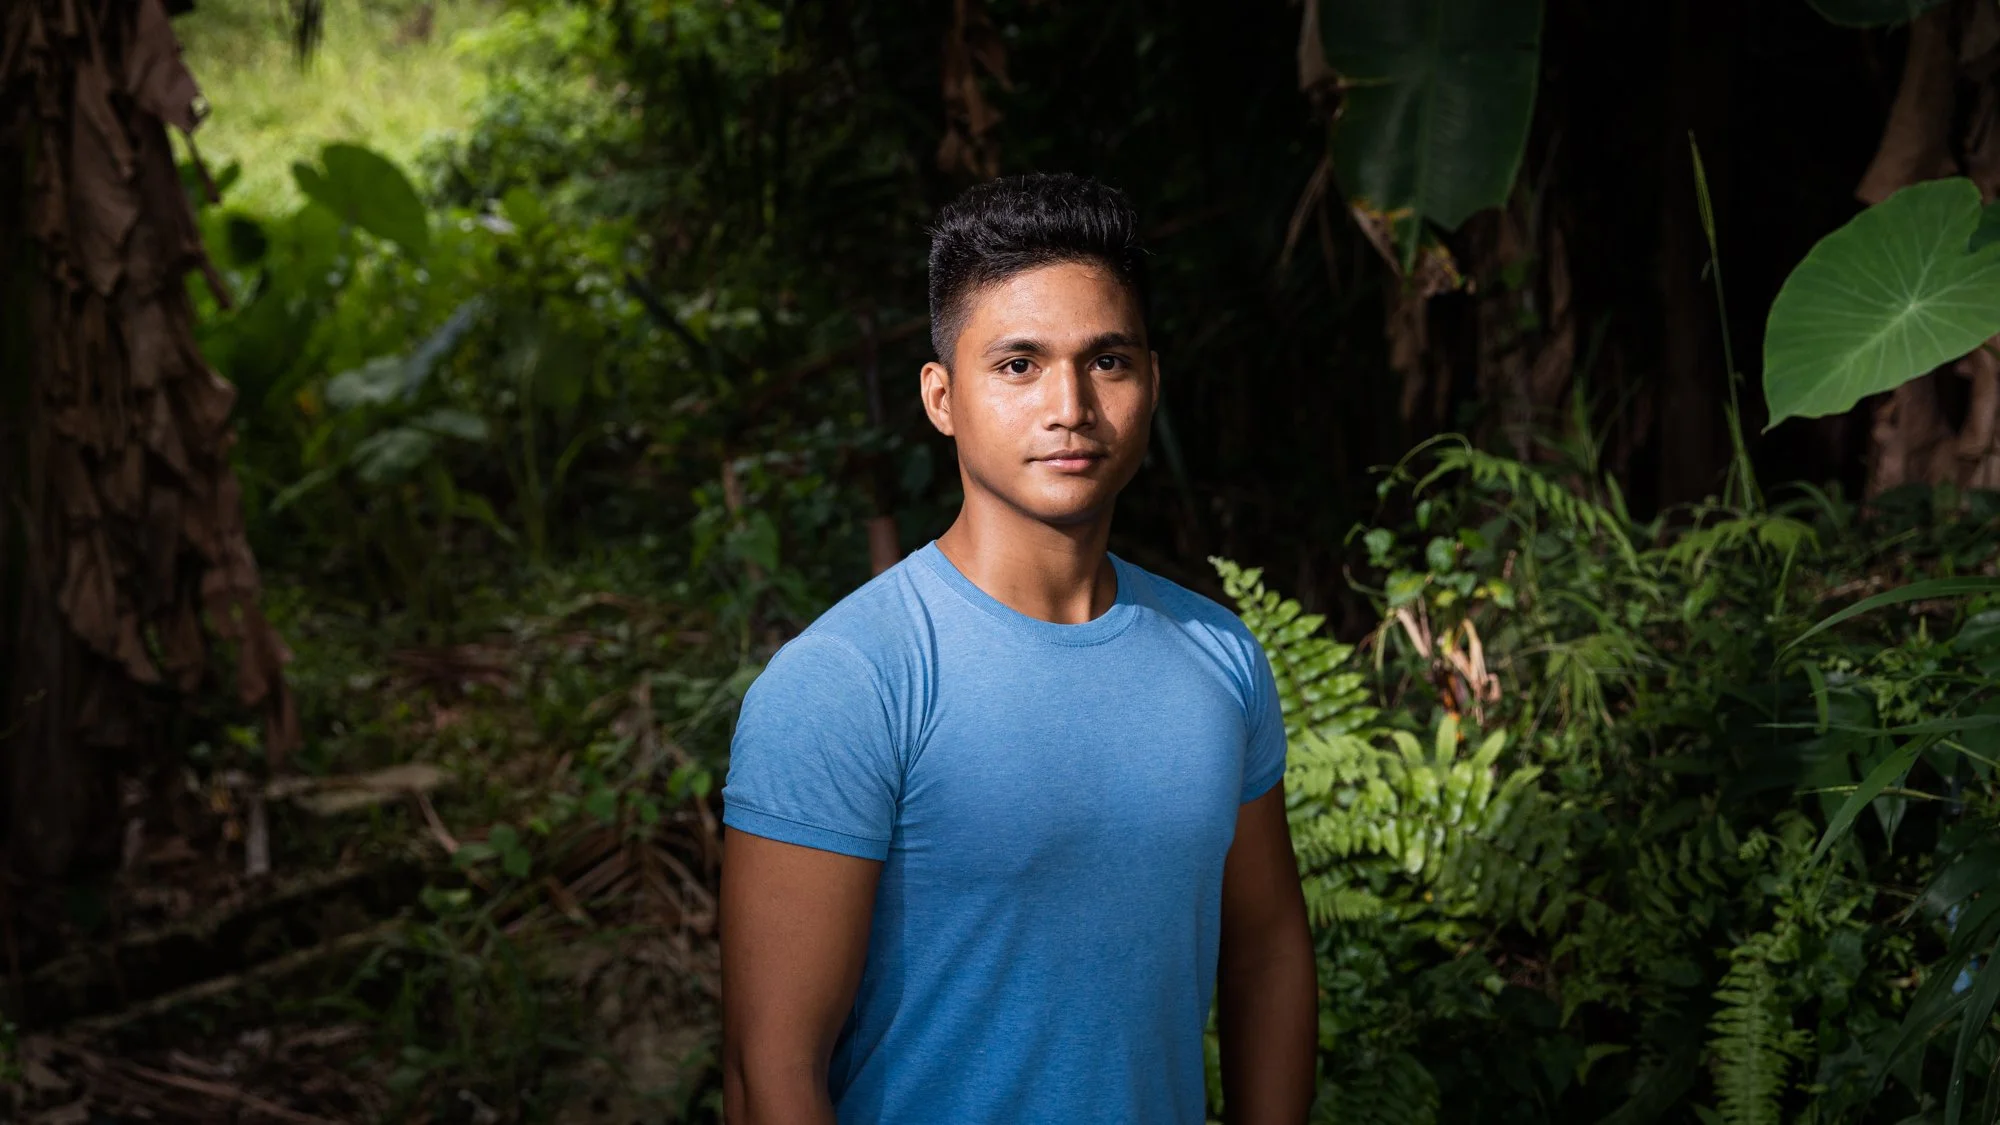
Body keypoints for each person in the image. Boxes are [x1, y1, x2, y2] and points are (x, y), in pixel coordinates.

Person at [719, 172, 1317, 1125]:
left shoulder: (1219, 657)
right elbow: (770, 1071)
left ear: (1151, 382)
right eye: (1018, 364)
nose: (1070, 404)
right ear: (942, 397)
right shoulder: (848, 681)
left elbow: (1269, 951)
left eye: (1107, 360)